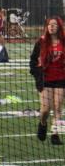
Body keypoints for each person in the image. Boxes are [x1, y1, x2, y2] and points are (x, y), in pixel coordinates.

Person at [32, 16, 65, 144]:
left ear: (59, 27)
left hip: (61, 79)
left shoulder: (63, 41)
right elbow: (33, 60)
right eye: (49, 24)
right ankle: (43, 123)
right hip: (45, 79)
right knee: (45, 109)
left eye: (54, 24)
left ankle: (55, 135)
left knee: (57, 107)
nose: (51, 26)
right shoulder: (41, 42)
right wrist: (36, 73)